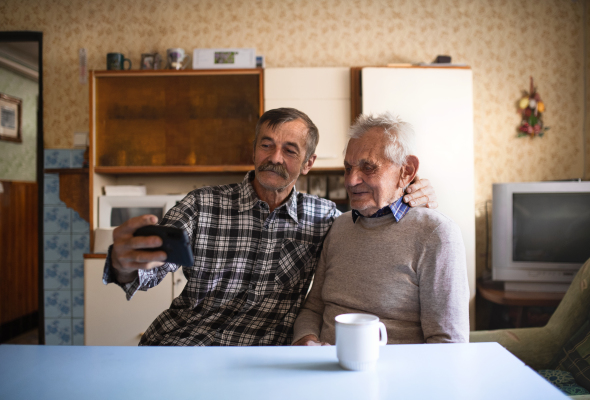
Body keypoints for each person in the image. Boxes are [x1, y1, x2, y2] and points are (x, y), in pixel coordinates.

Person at [105, 108, 437, 346]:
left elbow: (379, 220)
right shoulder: (201, 205)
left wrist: (409, 191)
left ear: (308, 164)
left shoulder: (327, 219)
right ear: (254, 150)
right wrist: (124, 264)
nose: (274, 157)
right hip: (183, 344)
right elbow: (150, 267)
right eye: (266, 144)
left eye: (290, 150)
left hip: (264, 358)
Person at [292, 112, 469, 346]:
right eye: (348, 168)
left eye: (368, 168)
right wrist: (306, 341)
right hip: (321, 370)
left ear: (406, 171)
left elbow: (448, 344)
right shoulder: (339, 226)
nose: (351, 180)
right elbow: (313, 309)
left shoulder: (437, 234)